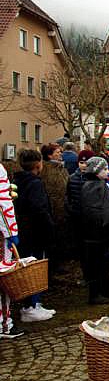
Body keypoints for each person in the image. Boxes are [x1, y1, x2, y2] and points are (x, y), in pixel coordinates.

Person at [13, 149, 56, 322]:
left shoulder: (17, 181)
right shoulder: (35, 183)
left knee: (30, 267)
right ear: (38, 164)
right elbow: (39, 209)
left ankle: (34, 303)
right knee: (35, 267)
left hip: (24, 231)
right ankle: (30, 305)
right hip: (35, 232)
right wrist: (49, 227)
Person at [80, 157, 109, 304]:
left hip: (105, 231)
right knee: (95, 263)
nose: (108, 171)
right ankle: (95, 293)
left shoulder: (101, 185)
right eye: (104, 169)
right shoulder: (92, 187)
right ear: (96, 171)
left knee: (105, 262)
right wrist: (105, 223)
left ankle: (105, 288)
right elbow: (95, 211)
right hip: (96, 233)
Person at [0, 161, 23, 338]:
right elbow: (4, 203)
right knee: (4, 277)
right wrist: (11, 232)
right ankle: (4, 325)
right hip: (1, 234)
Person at [65, 149, 95, 283]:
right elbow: (68, 197)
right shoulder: (72, 178)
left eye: (86, 163)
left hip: (92, 219)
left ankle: (94, 276)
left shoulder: (95, 179)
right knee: (82, 249)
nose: (83, 165)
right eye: (81, 163)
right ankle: (86, 275)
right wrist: (72, 210)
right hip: (78, 218)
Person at [39, 143, 69, 270]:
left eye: (60, 152)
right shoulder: (45, 170)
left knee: (60, 236)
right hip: (52, 207)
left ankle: (59, 262)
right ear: (49, 155)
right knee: (52, 237)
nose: (60, 154)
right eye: (57, 152)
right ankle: (52, 265)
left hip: (62, 207)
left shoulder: (61, 168)